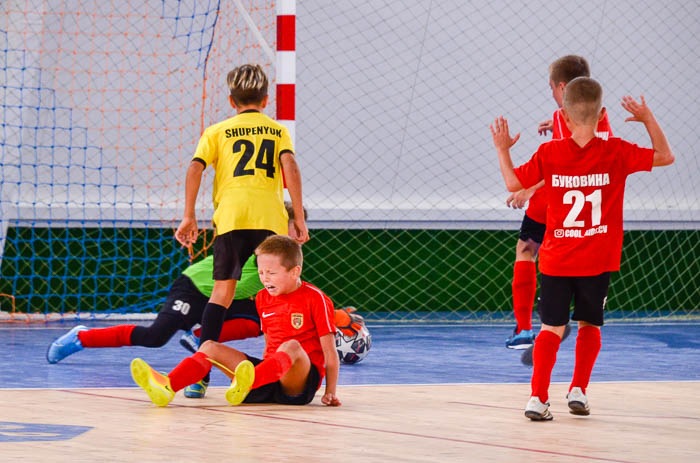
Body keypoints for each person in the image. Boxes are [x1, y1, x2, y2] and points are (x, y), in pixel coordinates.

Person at [490, 77, 674, 420]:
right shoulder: (617, 151)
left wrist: (502, 148)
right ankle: (578, 390)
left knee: (549, 330)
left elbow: (514, 183)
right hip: (598, 259)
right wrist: (647, 118)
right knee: (590, 324)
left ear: (565, 117)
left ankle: (538, 398)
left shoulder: (550, 152)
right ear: (603, 113)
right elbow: (666, 156)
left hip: (558, 259)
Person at [46, 203, 307, 400]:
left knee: (262, 317)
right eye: (293, 225)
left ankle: (198, 343)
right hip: (195, 288)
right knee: (155, 336)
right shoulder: (262, 245)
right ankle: (82, 337)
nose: (298, 232)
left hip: (226, 297)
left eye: (301, 226)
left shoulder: (288, 257)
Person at [173, 63, 309, 375]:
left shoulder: (217, 131)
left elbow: (195, 168)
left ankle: (199, 373)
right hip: (271, 221)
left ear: (232, 101)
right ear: (265, 100)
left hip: (232, 218)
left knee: (222, 292)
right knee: (284, 286)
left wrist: (189, 216)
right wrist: (298, 215)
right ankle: (287, 362)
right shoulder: (277, 130)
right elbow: (290, 164)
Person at [130, 235, 341, 408]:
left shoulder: (316, 298)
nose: (265, 278)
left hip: (298, 383)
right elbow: (269, 344)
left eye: (272, 273)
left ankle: (250, 381)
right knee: (209, 346)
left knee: (292, 345)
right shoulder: (262, 298)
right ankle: (167, 386)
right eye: (260, 272)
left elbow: (330, 353)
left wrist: (330, 392)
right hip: (268, 375)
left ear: (295, 272)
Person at [504, 56, 612, 350]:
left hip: (556, 195)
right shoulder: (600, 116)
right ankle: (561, 320)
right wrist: (556, 126)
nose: (552, 94)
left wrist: (528, 189)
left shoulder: (561, 112)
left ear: (562, 87)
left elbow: (567, 162)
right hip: (591, 204)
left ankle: (526, 329)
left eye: (552, 88)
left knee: (527, 250)